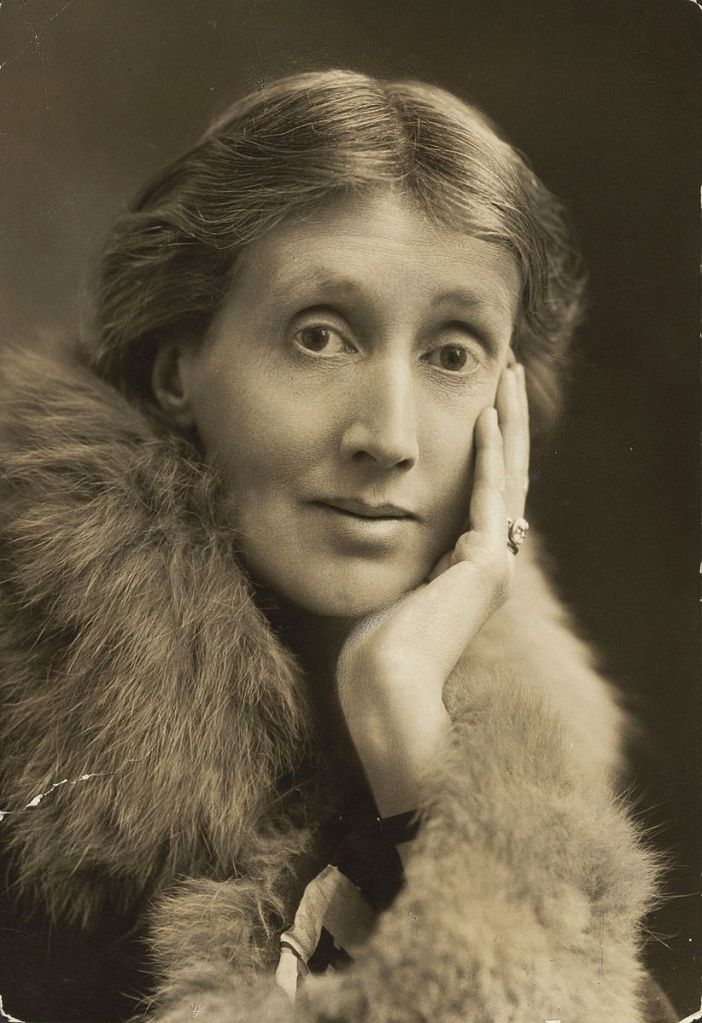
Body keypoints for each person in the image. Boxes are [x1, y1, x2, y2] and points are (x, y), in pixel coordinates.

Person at [0, 70, 677, 1023]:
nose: (389, 437)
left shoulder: (540, 789)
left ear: (508, 411)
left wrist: (416, 747)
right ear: (176, 370)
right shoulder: (33, 776)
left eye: (452, 353)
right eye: (320, 337)